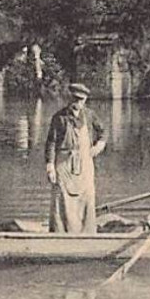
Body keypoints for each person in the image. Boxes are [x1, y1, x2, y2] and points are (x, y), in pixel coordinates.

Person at [44, 82, 107, 233]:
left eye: (81, 100)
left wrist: (100, 144)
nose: (77, 103)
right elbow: (51, 142)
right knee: (61, 197)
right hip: (64, 162)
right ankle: (60, 233)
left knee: (87, 196)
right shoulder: (59, 118)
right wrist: (50, 166)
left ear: (85, 100)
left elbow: (103, 132)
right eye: (74, 99)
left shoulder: (90, 115)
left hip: (85, 162)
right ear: (69, 98)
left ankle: (87, 233)